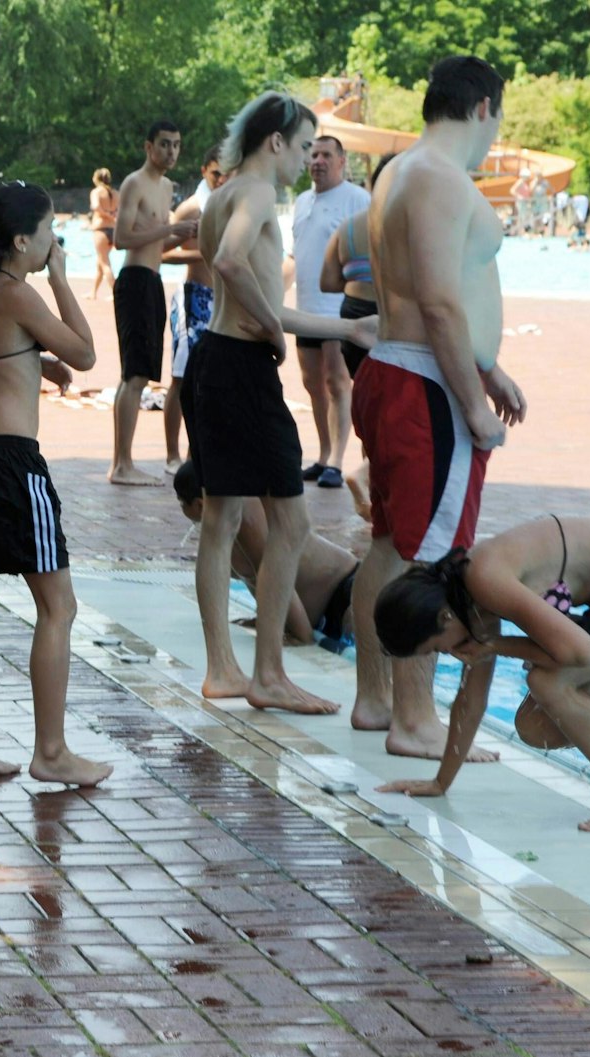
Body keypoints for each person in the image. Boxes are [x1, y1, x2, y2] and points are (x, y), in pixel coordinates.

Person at [348, 56, 525, 760]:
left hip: (399, 369)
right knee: (434, 558)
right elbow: (442, 303)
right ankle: (414, 719)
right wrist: (471, 402)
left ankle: (374, 697)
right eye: (499, 119)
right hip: (426, 387)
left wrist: (491, 367)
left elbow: (437, 296)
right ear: (483, 107)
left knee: (390, 546)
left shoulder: (399, 172)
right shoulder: (441, 180)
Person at [189, 90, 374, 715]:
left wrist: (346, 330)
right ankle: (268, 673)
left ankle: (223, 669)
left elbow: (251, 289)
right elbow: (232, 262)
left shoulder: (223, 193)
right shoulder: (261, 193)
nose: (304, 160)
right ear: (276, 141)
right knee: (290, 522)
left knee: (222, 523)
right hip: (242, 371)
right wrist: (272, 330)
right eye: (300, 147)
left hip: (215, 362)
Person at [373, 517, 590, 834]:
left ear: (444, 619)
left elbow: (581, 652)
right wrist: (440, 783)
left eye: (437, 647)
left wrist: (497, 644)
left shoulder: (484, 577)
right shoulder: (467, 595)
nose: (448, 653)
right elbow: (470, 699)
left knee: (548, 683)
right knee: (536, 726)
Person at [0, 183, 111, 788]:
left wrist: (39, 362)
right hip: (15, 465)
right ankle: (52, 751)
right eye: (48, 234)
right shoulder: (20, 292)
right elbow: (89, 353)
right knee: (58, 606)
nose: (53, 243)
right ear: (21, 241)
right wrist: (62, 277)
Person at [174, 461, 358, 650]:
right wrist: (266, 619)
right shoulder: (224, 524)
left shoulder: (244, 512)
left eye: (181, 503)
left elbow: (274, 574)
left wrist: (302, 636)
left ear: (199, 504)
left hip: (346, 589)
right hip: (321, 611)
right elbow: (259, 579)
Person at [108, 120, 194, 487]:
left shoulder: (167, 187)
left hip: (154, 281)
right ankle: (121, 464)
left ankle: (124, 462)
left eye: (176, 145)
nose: (171, 151)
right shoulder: (134, 183)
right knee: (134, 374)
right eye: (164, 145)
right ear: (148, 147)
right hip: (134, 282)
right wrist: (170, 229)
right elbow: (122, 238)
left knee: (142, 374)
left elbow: (157, 247)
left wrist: (186, 236)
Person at [289, 135, 371, 489]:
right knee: (312, 384)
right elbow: (295, 256)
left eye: (325, 155)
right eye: (313, 155)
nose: (317, 161)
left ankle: (337, 460)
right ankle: (323, 454)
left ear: (341, 161)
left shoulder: (357, 200)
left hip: (338, 310)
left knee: (338, 383)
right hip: (305, 307)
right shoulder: (302, 201)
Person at [321, 152, 395, 521]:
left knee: (369, 409)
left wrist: (357, 274)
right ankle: (373, 481)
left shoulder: (348, 227)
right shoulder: (404, 227)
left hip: (350, 317)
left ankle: (371, 482)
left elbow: (327, 280)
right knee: (392, 411)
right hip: (385, 322)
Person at [162, 146, 223, 474]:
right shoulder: (190, 209)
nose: (221, 179)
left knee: (209, 378)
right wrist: (203, 254)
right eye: (216, 173)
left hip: (219, 301)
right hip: (192, 297)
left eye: (227, 173)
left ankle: (194, 452)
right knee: (181, 378)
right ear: (204, 170)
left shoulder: (226, 206)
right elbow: (159, 252)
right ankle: (172, 454)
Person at [87, 168, 117, 299]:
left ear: (96, 179)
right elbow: (120, 211)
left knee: (105, 263)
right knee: (100, 262)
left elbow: (95, 207)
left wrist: (107, 215)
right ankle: (93, 292)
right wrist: (112, 217)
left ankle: (116, 293)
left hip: (101, 230)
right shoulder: (116, 193)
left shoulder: (96, 192)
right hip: (113, 230)